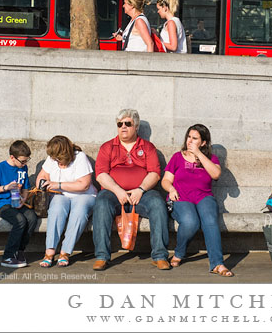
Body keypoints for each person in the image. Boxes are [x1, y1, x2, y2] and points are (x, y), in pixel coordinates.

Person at [91, 109, 170, 270]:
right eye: (120, 124)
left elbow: (155, 174)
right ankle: (101, 256)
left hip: (142, 194)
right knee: (101, 203)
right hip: (113, 193)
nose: (123, 127)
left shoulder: (147, 147)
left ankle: (160, 256)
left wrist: (140, 189)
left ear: (136, 127)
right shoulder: (108, 147)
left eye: (128, 123)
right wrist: (118, 190)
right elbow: (100, 175)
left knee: (158, 204)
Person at [161, 124, 233, 276]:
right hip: (181, 197)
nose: (190, 141)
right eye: (189, 137)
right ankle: (179, 252)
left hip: (203, 197)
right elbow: (165, 180)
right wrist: (171, 189)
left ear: (203, 142)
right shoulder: (177, 157)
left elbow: (216, 175)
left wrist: (199, 154)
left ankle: (217, 263)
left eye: (195, 138)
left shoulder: (211, 159)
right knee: (190, 222)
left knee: (210, 220)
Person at [35, 135, 97, 268]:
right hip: (61, 195)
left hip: (84, 195)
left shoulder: (79, 157)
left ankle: (65, 252)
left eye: (58, 158)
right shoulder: (52, 158)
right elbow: (42, 175)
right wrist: (42, 184)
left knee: (79, 210)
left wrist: (58, 184)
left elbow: (84, 185)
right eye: (54, 158)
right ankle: (49, 252)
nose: (56, 161)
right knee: (56, 208)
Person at [0, 140, 37, 268]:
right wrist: (6, 187)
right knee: (19, 220)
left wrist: (23, 200)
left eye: (27, 160)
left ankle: (19, 251)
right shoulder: (1, 167)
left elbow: (25, 188)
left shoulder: (23, 168)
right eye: (22, 161)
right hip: (1, 203)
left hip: (17, 202)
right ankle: (8, 256)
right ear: (12, 157)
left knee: (31, 217)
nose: (25, 163)